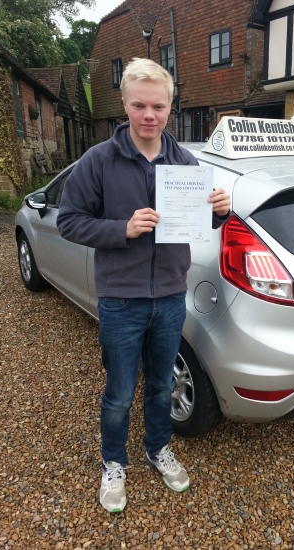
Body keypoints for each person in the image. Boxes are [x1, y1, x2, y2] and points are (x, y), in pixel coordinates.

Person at [56, 58, 231, 513]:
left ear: (171, 107)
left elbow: (203, 224)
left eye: (158, 106)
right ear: (125, 106)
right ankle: (114, 463)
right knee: (118, 392)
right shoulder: (98, 161)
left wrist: (220, 211)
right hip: (120, 300)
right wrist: (122, 229)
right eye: (139, 105)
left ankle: (158, 449)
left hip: (171, 297)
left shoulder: (185, 163)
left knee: (159, 386)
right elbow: (70, 222)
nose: (149, 115)